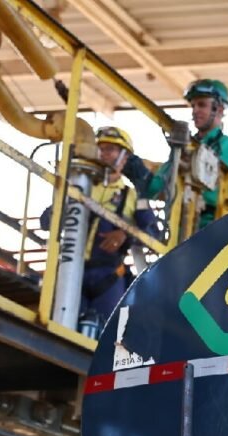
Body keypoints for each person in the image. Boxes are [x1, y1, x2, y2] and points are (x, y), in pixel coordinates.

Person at [42, 126, 156, 326]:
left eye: (110, 149)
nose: (103, 154)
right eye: (100, 149)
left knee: (104, 334)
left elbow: (153, 234)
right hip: (70, 271)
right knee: (61, 326)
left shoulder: (133, 196)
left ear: (125, 157)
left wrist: (125, 234)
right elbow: (45, 222)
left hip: (108, 277)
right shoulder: (79, 185)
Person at [125, 79, 228, 230]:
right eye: (193, 106)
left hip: (210, 230)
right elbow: (156, 188)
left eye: (202, 105)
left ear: (219, 110)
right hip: (179, 229)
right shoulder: (183, 146)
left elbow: (215, 195)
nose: (195, 110)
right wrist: (134, 169)